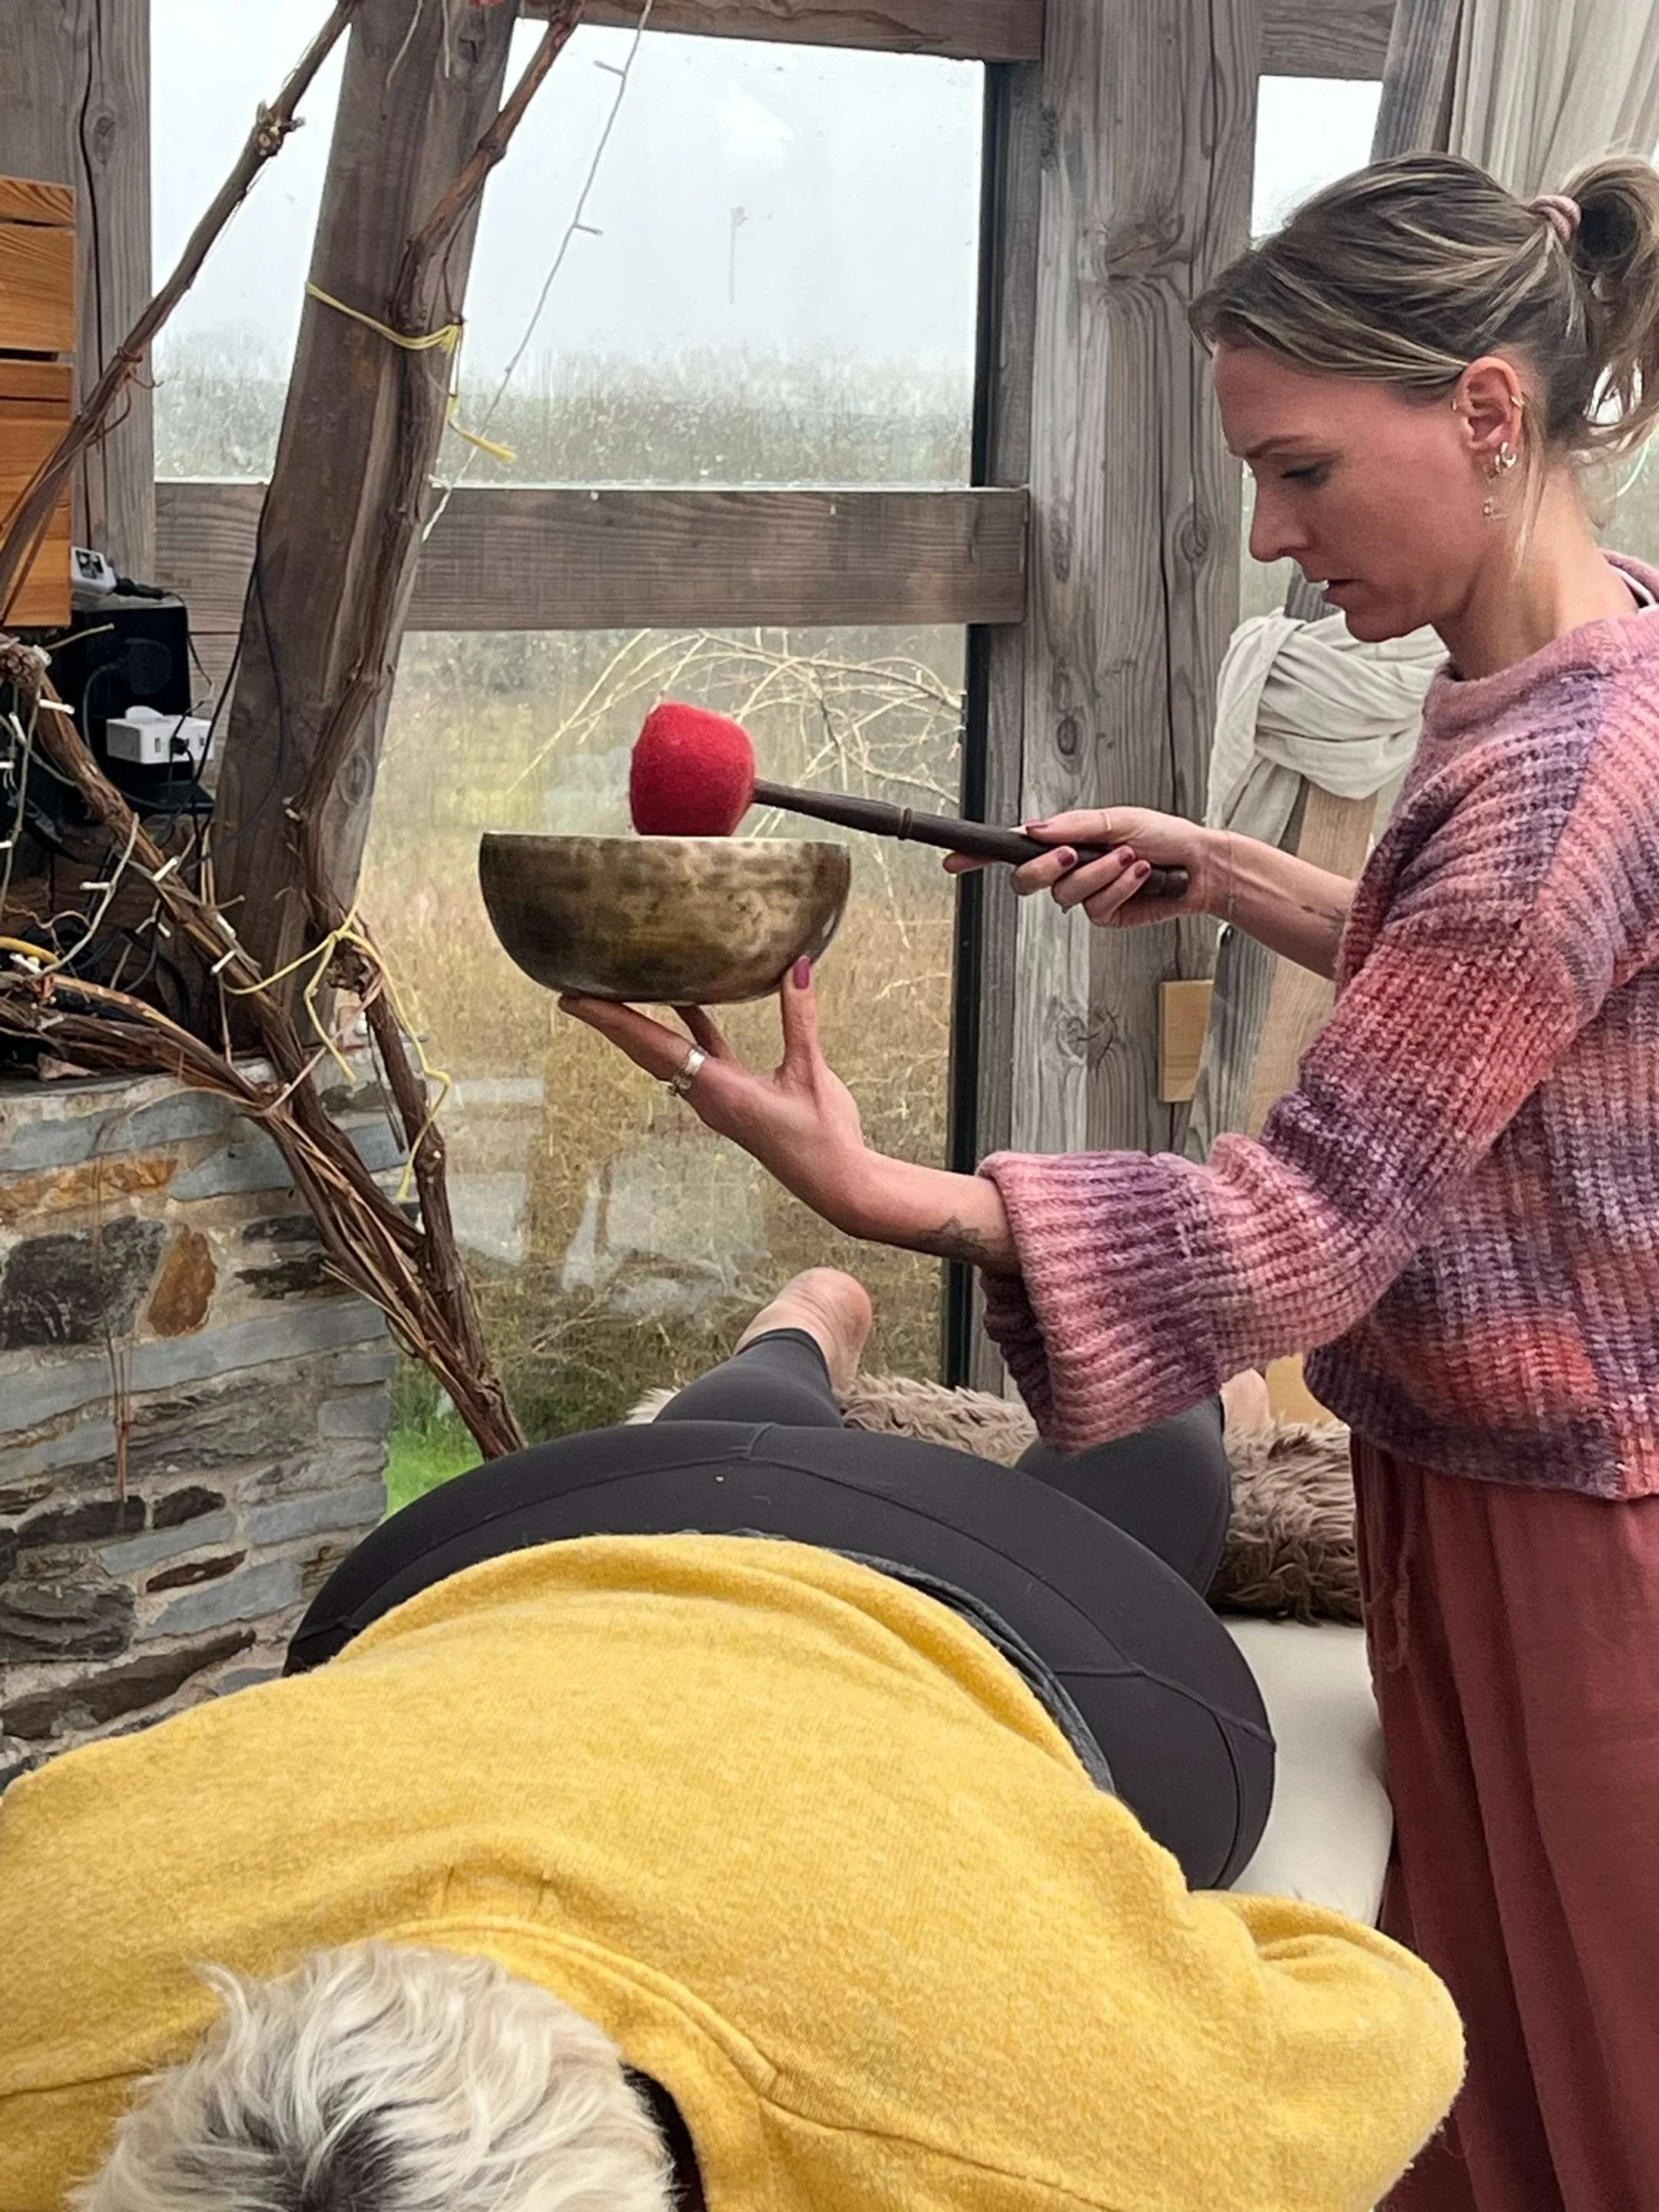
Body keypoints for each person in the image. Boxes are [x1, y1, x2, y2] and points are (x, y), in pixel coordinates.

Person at [560, 154, 1659, 2212]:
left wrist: (894, 1198)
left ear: (1490, 413)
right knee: (1470, 2055)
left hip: (1577, 1530)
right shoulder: (1587, 672)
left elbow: (1307, 1223)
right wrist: (1240, 874)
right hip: (1515, 1471)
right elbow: (1525, 994)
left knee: (1583, 2114)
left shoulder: (1548, 773)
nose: (1271, 533)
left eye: (1306, 469)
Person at [0, 1274, 1462, 2211]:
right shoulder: (34, 1993)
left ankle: (1187, 1335)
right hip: (537, 1542)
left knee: (1142, 1480)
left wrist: (1082, 1960)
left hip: (978, 1597)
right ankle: (807, 1315)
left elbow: (1377, 2006)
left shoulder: (1037, 2137)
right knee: (750, 1424)